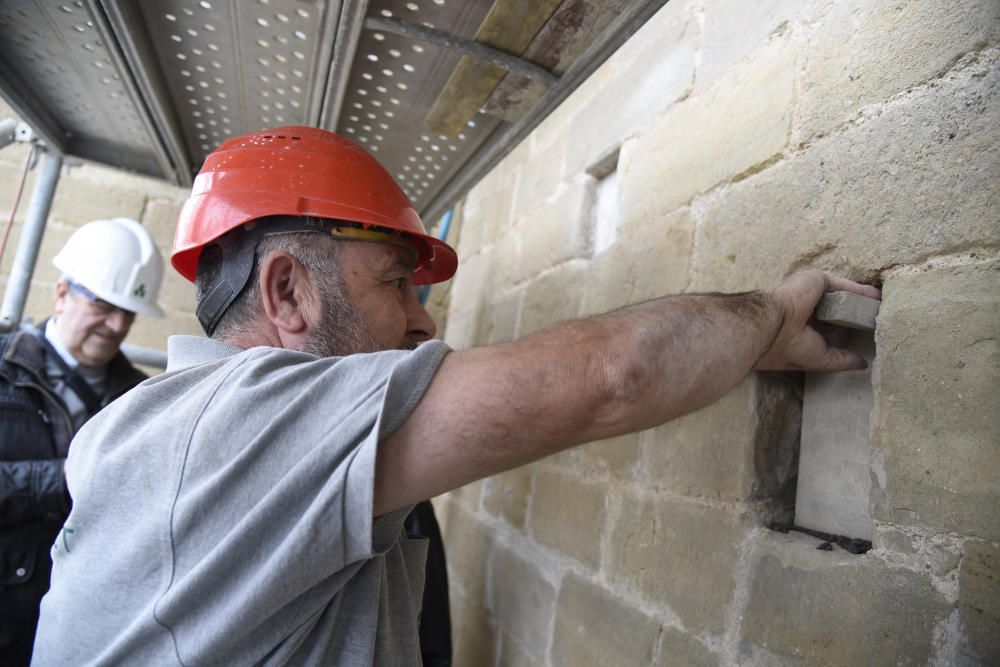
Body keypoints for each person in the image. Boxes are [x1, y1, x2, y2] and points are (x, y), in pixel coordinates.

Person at [32, 127, 879, 666]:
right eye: (397, 284)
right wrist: (772, 315)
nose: (419, 322)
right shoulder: (239, 422)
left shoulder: (179, 432)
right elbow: (613, 377)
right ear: (287, 293)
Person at [0, 218, 164, 666]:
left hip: (80, 630)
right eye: (103, 305)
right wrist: (61, 479)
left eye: (128, 312)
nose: (116, 325)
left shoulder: (142, 399)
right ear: (60, 293)